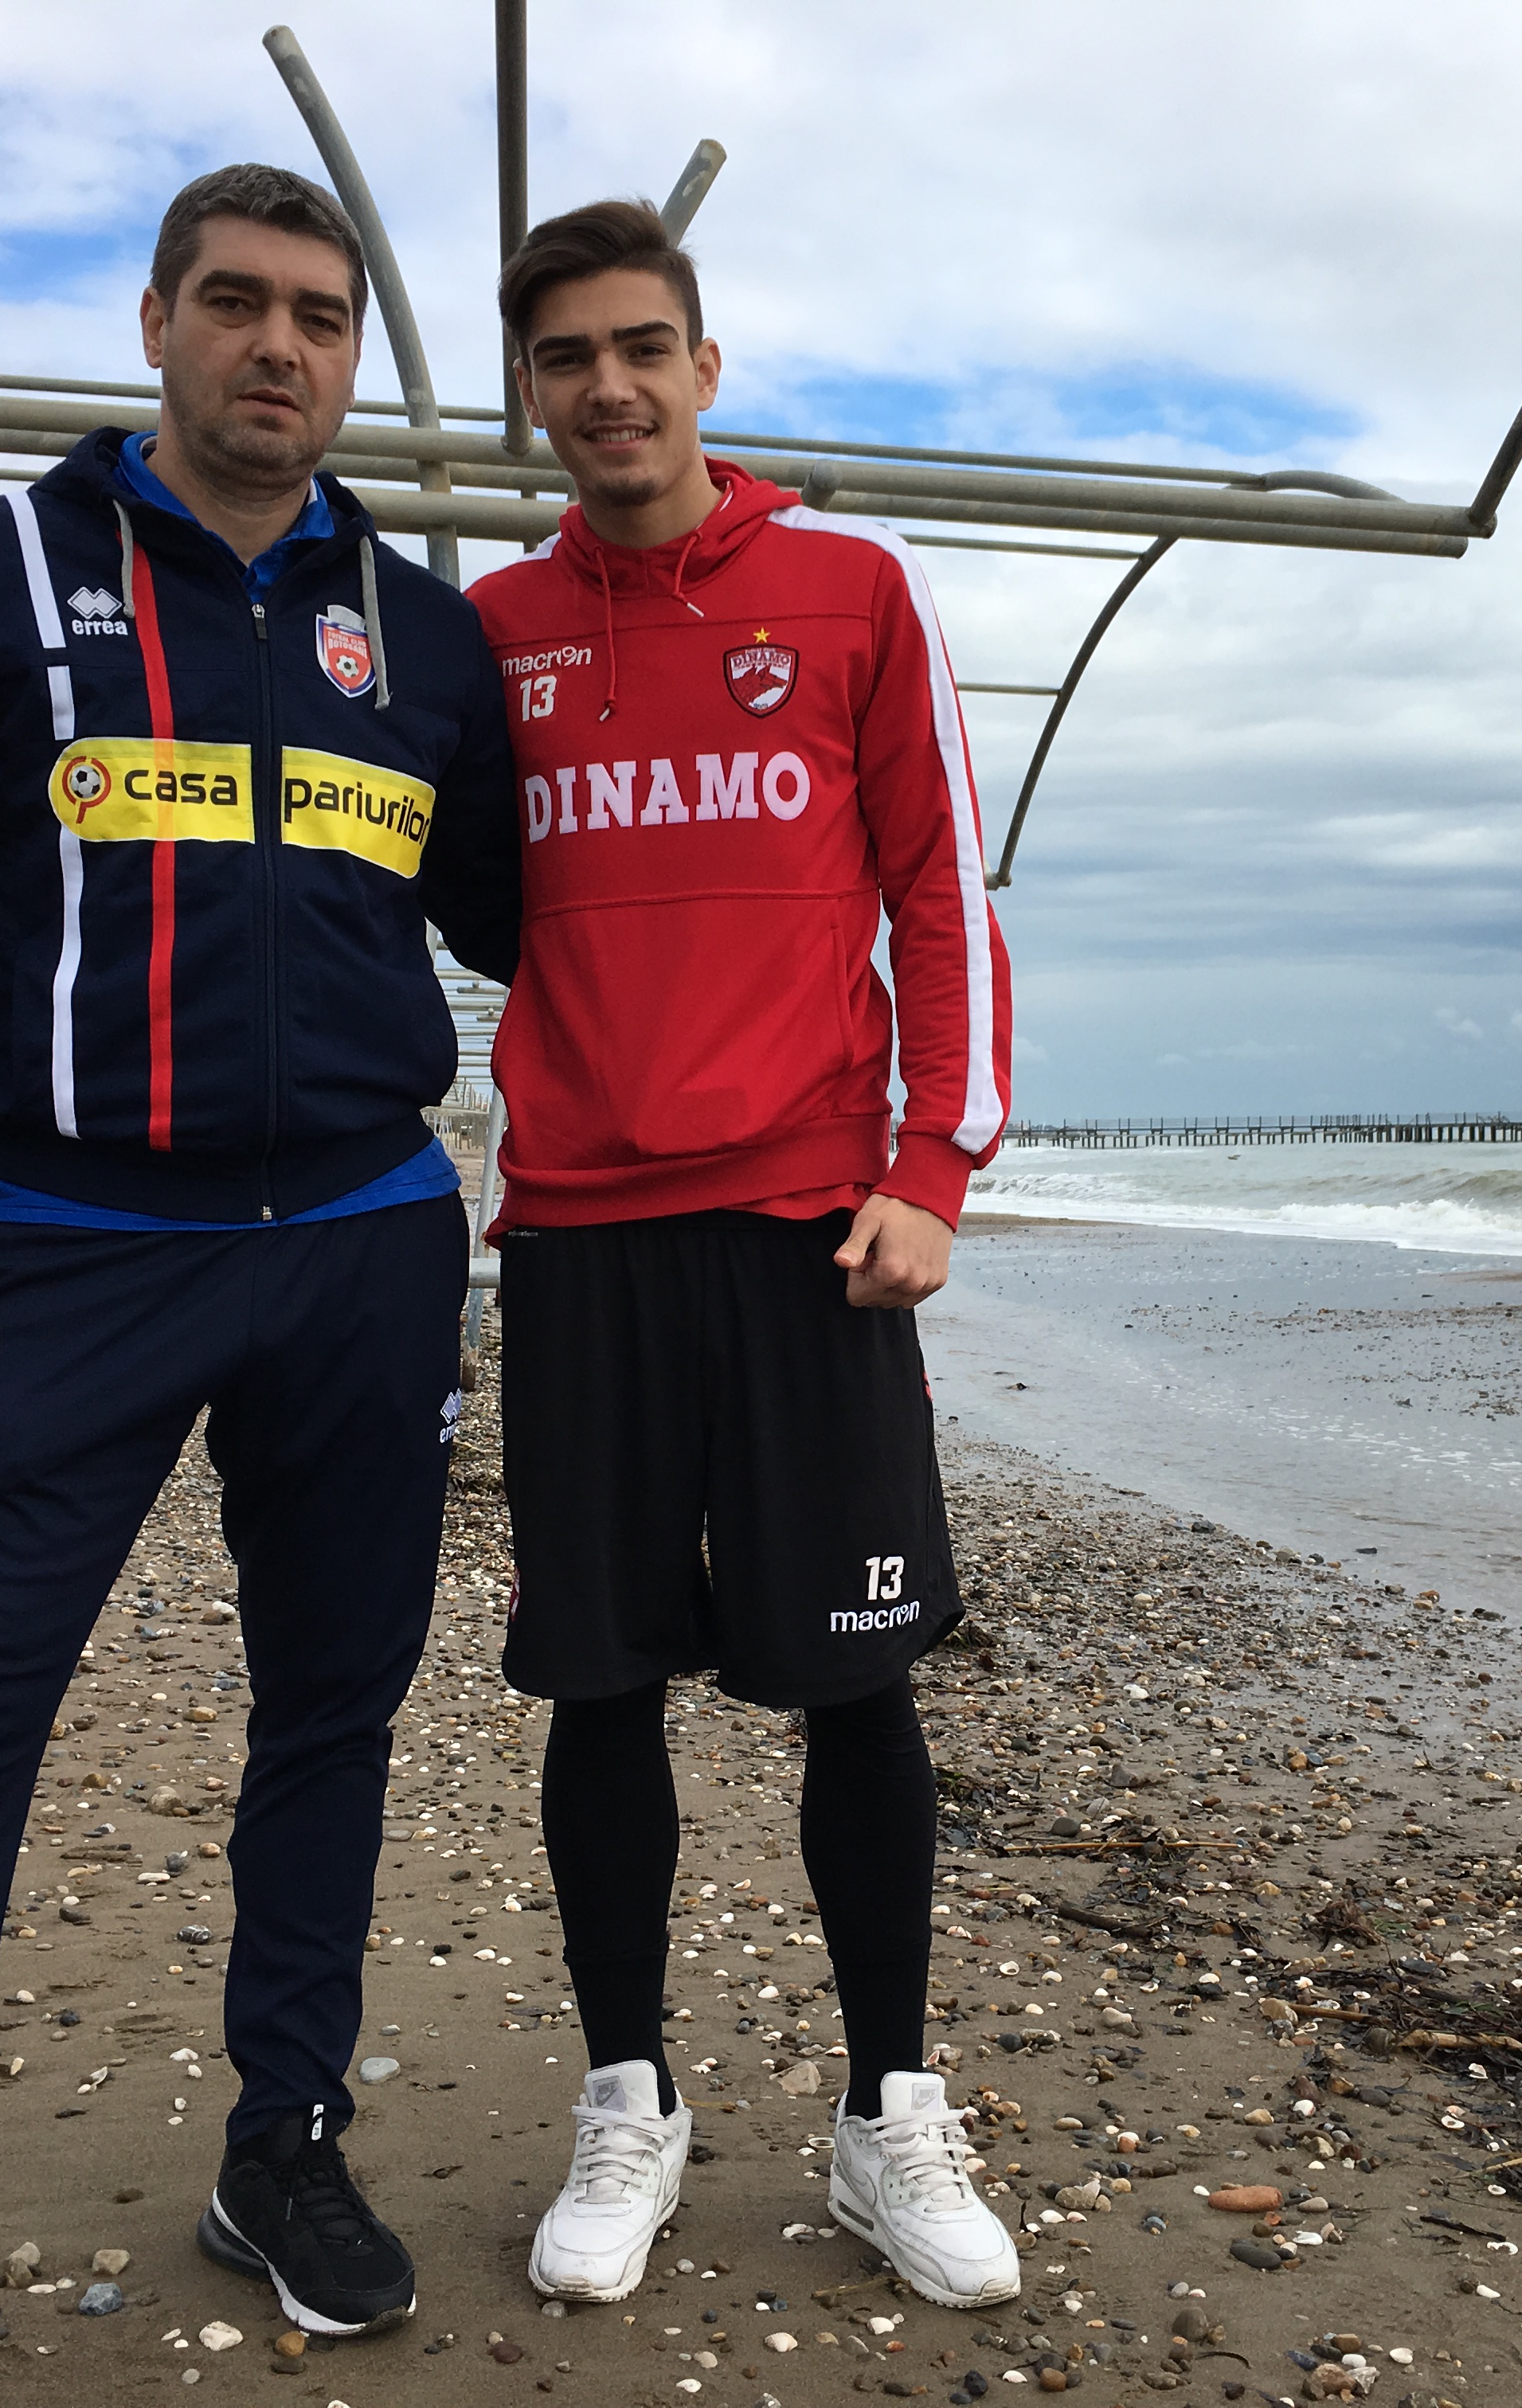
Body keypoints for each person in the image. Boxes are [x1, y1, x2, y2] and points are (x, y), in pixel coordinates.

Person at [0, 165, 519, 2408]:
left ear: (351, 357)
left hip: (364, 1243)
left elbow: (536, 922)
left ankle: (287, 2145)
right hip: (70, 1246)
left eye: (322, 317)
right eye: (238, 303)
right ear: (157, 320)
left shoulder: (422, 635)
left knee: (332, 1716)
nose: (281, 347)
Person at [468, 200, 1017, 2312]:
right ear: (531, 388)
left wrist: (935, 1165)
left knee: (856, 1681)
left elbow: (941, 894)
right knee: (598, 1684)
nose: (609, 387)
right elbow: (438, 894)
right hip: (582, 1238)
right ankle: (631, 2102)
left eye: (644, 347)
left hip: (810, 1233)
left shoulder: (853, 589)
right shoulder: (493, 631)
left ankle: (889, 2117)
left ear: (706, 367)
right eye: (568, 356)